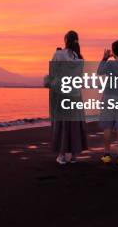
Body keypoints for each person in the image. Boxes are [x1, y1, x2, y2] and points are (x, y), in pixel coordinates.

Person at [47, 30, 88, 165]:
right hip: (75, 94)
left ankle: (61, 155)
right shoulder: (79, 58)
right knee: (74, 124)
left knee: (62, 124)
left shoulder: (58, 54)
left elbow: (53, 73)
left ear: (65, 40)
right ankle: (74, 156)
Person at [97, 40, 118, 165]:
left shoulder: (110, 64)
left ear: (113, 51)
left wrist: (105, 58)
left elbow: (99, 72)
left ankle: (107, 155)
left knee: (108, 126)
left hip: (109, 97)